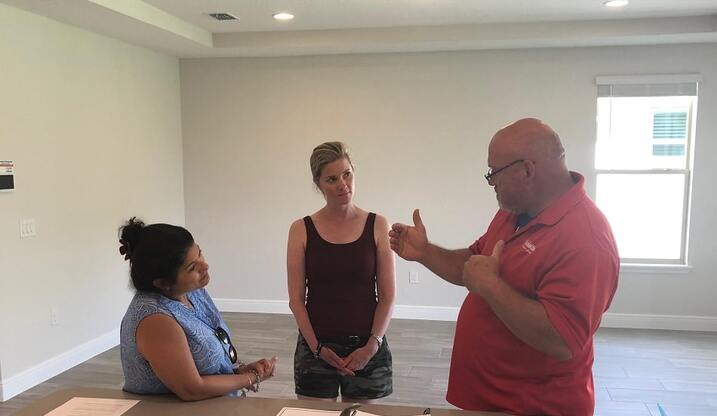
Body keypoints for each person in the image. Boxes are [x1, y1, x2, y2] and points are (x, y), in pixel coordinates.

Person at [389, 118, 619, 415]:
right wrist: (425, 253)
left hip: (536, 407)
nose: (491, 183)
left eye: (493, 173)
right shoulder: (515, 212)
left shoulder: (586, 239)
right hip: (486, 398)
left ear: (527, 170)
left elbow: (563, 340)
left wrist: (491, 286)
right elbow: (474, 264)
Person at [118, 218, 277, 401]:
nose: (205, 265)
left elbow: (202, 363)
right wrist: (250, 377)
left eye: (199, 253)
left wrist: (240, 370)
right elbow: (192, 389)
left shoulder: (192, 292)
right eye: (192, 267)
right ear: (163, 283)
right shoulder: (155, 319)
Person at [287, 141, 396, 403]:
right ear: (318, 183)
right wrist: (317, 348)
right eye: (332, 179)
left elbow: (388, 295)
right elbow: (296, 300)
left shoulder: (378, 225)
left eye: (347, 174)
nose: (342, 184)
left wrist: (371, 347)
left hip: (368, 345)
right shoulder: (300, 229)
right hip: (316, 347)